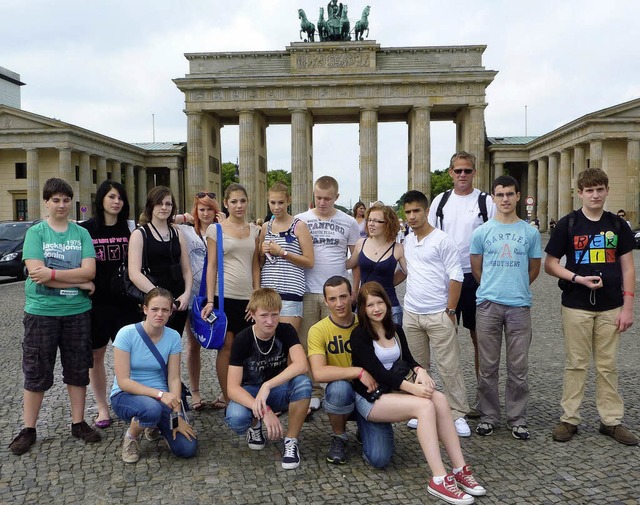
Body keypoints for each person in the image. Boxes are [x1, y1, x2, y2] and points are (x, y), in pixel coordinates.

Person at [351, 282, 486, 505]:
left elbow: (408, 359)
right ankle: (439, 479)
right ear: (363, 309)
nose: (376, 308)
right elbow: (378, 373)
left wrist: (419, 370)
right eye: (370, 305)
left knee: (440, 399)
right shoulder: (359, 335)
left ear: (386, 302)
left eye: (380, 302)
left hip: (393, 392)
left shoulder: (395, 328)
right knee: (424, 406)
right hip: (370, 398)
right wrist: (414, 388)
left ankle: (459, 468)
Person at [545, 168, 638, 446]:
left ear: (607, 190)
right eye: (589, 190)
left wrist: (628, 306)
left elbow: (629, 268)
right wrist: (576, 278)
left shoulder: (618, 225)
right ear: (580, 193)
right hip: (576, 305)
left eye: (599, 189)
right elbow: (550, 264)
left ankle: (611, 421)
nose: (595, 195)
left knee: (608, 365)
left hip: (611, 305)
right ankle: (569, 418)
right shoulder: (568, 224)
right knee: (576, 364)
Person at [9, 178, 101, 455]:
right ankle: (29, 429)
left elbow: (90, 272)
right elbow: (37, 276)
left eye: (65, 199)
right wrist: (78, 283)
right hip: (42, 313)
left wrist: (52, 274)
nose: (61, 205)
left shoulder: (81, 234)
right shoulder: (36, 233)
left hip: (77, 313)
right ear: (46, 202)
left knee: (77, 369)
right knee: (36, 370)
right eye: (56, 200)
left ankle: (78, 422)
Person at [469, 175, 542, 440]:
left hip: (519, 306)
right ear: (493, 198)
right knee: (488, 366)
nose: (505, 199)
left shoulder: (530, 232)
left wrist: (517, 286)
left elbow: (534, 269)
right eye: (500, 195)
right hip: (488, 304)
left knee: (518, 367)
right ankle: (488, 416)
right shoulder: (481, 232)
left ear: (518, 196)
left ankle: (517, 418)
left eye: (510, 194)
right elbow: (477, 268)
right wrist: (492, 287)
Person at [428, 151, 496, 419]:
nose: (463, 175)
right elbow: (430, 235)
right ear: (450, 173)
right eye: (458, 171)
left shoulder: (486, 201)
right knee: (445, 338)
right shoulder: (440, 201)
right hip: (446, 279)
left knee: (481, 339)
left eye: (467, 171)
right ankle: (445, 397)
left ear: (474, 172)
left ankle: (483, 396)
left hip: (476, 277)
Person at [401, 190, 471, 436]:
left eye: (416, 211)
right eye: (408, 212)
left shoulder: (442, 239)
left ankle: (457, 413)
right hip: (412, 312)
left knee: (449, 366)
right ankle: (422, 410)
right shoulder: (407, 240)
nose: (412, 216)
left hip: (438, 312)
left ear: (427, 211)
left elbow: (456, 275)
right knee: (419, 367)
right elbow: (407, 272)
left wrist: (450, 311)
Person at [307, 276, 394, 467]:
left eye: (343, 297)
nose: (339, 304)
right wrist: (358, 372)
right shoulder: (318, 330)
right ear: (325, 301)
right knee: (339, 389)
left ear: (352, 296)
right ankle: (340, 436)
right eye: (332, 299)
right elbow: (319, 373)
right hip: (343, 390)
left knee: (380, 458)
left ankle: (364, 427)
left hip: (370, 393)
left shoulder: (366, 323)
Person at [225, 288, 312, 470]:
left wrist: (268, 385)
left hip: (276, 389)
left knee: (303, 383)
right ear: (253, 314)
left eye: (275, 315)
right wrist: (265, 411)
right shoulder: (243, 339)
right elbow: (232, 388)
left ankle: (291, 441)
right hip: (249, 392)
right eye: (264, 315)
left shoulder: (286, 330)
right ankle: (255, 426)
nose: (270, 321)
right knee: (236, 417)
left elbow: (301, 365)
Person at [110, 288, 198, 463]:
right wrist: (160, 395)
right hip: (127, 395)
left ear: (171, 312)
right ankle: (132, 436)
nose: (160, 314)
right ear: (145, 309)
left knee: (187, 449)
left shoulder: (173, 336)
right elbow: (124, 381)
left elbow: (173, 378)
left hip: (162, 398)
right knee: (151, 409)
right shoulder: (126, 334)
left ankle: (153, 424)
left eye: (165, 310)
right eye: (154, 309)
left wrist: (177, 413)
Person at [296, 175, 360, 409]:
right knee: (307, 343)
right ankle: (313, 391)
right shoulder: (300, 219)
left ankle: (343, 388)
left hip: (337, 292)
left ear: (337, 197)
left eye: (327, 198)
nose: (322, 202)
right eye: (318, 198)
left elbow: (356, 259)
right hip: (308, 290)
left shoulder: (349, 222)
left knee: (340, 343)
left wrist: (355, 288)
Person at [80, 180, 140, 429]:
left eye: (120, 198)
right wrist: (83, 283)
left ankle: (133, 402)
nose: (117, 201)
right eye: (112, 196)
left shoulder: (131, 230)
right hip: (95, 302)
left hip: (126, 302)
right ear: (101, 199)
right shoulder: (87, 230)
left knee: (131, 355)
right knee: (96, 355)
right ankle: (102, 407)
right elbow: (75, 262)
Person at [201, 183, 260, 406]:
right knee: (226, 347)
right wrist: (209, 300)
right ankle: (228, 396)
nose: (239, 205)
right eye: (234, 201)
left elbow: (255, 265)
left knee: (246, 348)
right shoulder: (215, 230)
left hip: (247, 297)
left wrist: (256, 295)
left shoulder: (255, 230)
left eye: (242, 201)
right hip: (223, 296)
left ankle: (243, 392)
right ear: (226, 204)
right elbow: (212, 266)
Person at [177, 192, 226, 411]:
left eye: (209, 209)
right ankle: (195, 391)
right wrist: (185, 217)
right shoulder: (187, 232)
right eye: (201, 209)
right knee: (193, 343)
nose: (205, 214)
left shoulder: (224, 231)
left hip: (220, 295)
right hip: (196, 295)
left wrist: (226, 225)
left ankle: (226, 390)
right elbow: (154, 218)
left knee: (224, 343)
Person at [128, 186, 192, 334]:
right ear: (151, 206)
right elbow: (134, 273)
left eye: (168, 204)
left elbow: (187, 270)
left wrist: (187, 294)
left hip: (178, 299)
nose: (164, 207)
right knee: (151, 346)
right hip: (153, 301)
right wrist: (160, 298)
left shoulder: (177, 233)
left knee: (174, 345)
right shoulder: (140, 234)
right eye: (159, 203)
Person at [259, 182, 314, 333]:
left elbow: (309, 261)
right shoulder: (265, 227)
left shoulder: (299, 226)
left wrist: (282, 252)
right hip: (267, 292)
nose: (277, 207)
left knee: (288, 344)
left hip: (291, 292)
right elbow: (260, 262)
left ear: (288, 201)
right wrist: (262, 252)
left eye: (281, 202)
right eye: (273, 203)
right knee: (268, 344)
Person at [346, 203, 407, 325]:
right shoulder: (360, 243)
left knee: (392, 343)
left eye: (376, 221)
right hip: (364, 305)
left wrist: (389, 282)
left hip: (390, 305)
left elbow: (407, 272)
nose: (370, 224)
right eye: (369, 220)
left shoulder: (398, 248)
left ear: (388, 224)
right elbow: (349, 264)